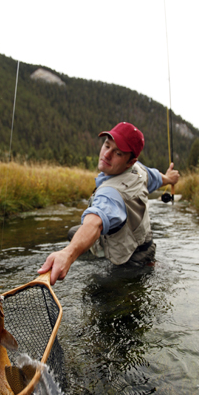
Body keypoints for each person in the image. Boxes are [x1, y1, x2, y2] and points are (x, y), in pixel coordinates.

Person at [38, 122, 179, 285]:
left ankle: (147, 267)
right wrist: (170, 178)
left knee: (99, 296)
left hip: (133, 258)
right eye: (107, 145)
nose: (107, 154)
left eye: (118, 153)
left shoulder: (111, 194)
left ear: (130, 161)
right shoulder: (139, 170)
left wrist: (68, 254)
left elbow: (95, 224)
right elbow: (157, 177)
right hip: (143, 240)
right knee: (73, 233)